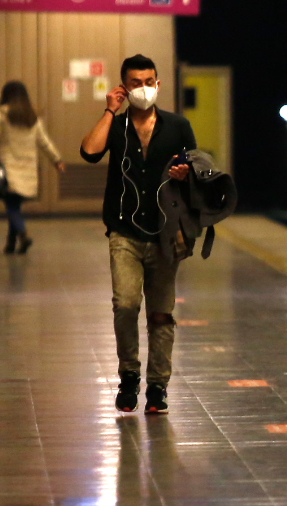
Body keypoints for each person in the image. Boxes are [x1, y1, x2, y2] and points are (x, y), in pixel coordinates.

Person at [81, 55, 196, 414]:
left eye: (149, 81)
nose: (143, 88)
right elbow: (89, 152)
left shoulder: (177, 126)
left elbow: (198, 170)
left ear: (158, 84)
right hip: (124, 232)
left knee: (161, 313)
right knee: (126, 305)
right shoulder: (116, 125)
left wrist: (184, 174)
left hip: (165, 232)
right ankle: (129, 375)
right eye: (135, 82)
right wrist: (109, 112)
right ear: (123, 87)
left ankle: (158, 388)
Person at [0, 81, 66, 254]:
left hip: (8, 165)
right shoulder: (32, 116)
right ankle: (11, 243)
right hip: (28, 166)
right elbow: (44, 142)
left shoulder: (0, 114)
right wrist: (56, 160)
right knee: (14, 205)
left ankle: (22, 235)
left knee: (11, 206)